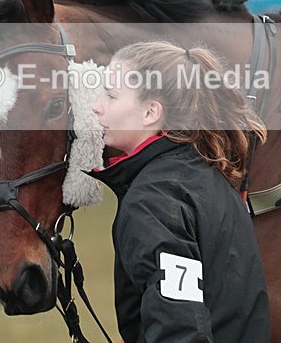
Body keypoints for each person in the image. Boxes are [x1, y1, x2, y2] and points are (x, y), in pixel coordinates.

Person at [89, 40, 270, 342]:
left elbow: (178, 326)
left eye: (111, 95)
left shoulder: (154, 199)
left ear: (150, 112)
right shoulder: (207, 176)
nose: (97, 105)